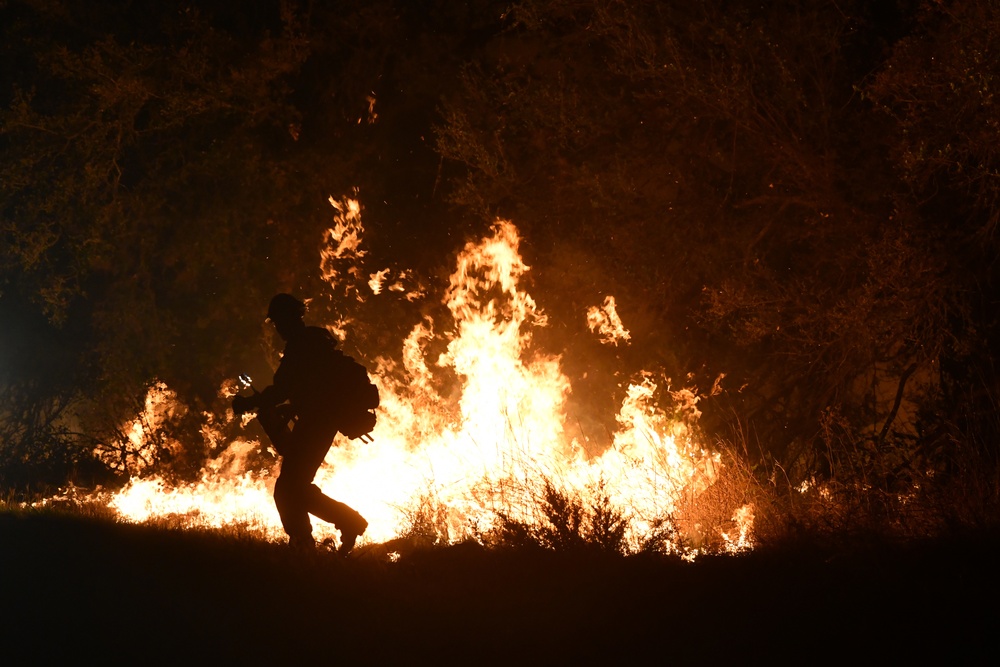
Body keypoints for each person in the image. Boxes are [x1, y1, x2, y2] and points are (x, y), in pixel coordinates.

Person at [232, 293, 368, 554]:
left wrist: (247, 404)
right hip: (319, 421)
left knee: (289, 489)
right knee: (292, 487)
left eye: (278, 322)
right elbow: (304, 389)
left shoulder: (301, 346)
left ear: (288, 319)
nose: (278, 328)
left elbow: (282, 388)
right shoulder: (312, 343)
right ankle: (329, 531)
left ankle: (316, 539)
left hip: (317, 424)